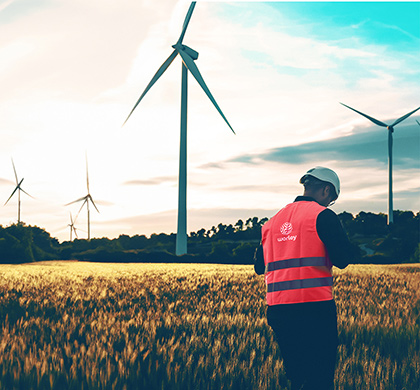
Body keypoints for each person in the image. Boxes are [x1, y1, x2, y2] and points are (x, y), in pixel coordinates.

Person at [254, 166, 360, 390]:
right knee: (320, 378)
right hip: (315, 309)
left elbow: (258, 266)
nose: (329, 204)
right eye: (331, 199)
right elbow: (342, 259)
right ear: (326, 190)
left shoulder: (271, 223)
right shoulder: (322, 215)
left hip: (279, 310)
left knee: (297, 376)